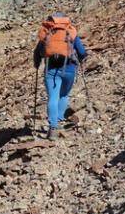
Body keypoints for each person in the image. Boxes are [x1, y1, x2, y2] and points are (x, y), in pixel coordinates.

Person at [33, 12, 88, 140]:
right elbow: (81, 52)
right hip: (69, 69)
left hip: (51, 70)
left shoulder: (48, 32)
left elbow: (37, 53)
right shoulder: (69, 31)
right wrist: (82, 58)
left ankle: (53, 128)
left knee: (53, 97)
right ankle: (59, 120)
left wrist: (37, 64)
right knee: (63, 95)